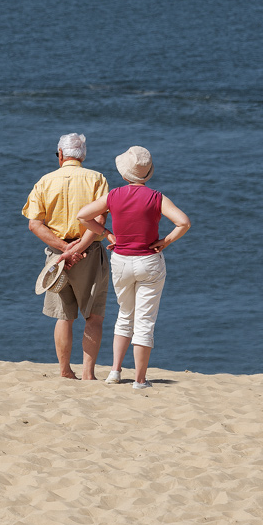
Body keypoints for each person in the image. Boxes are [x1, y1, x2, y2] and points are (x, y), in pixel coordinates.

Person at [61, 145, 190, 390]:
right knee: (144, 321)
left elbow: (83, 215)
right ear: (148, 173)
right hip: (149, 261)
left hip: (120, 260)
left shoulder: (114, 196)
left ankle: (114, 372)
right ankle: (140, 380)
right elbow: (183, 222)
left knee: (124, 316)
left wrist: (107, 234)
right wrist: (164, 242)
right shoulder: (156, 197)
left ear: (124, 174)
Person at [22, 133, 110, 380]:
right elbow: (100, 221)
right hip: (89, 252)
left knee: (63, 316)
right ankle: (88, 374)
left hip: (57, 257)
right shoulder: (97, 179)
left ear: (60, 155)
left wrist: (65, 250)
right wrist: (78, 249)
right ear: (83, 155)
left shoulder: (45, 181)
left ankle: (64, 370)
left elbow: (35, 224)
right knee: (94, 315)